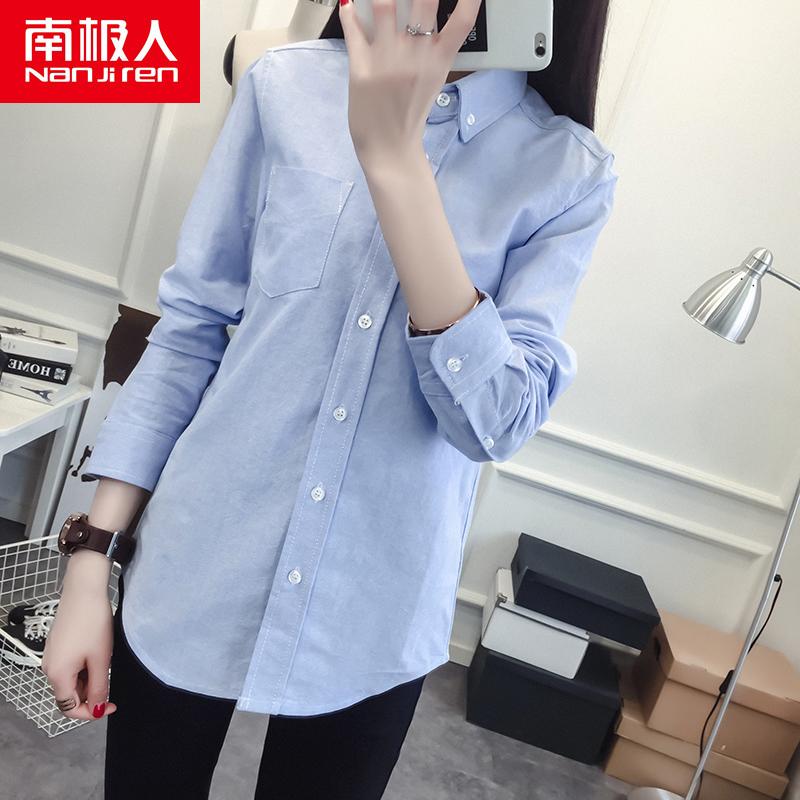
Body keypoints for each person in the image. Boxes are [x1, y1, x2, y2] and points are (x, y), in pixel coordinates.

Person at [41, 0, 617, 797]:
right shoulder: (285, 87)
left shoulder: (567, 172)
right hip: (195, 564)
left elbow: (496, 422)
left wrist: (397, 165)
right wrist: (89, 565)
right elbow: (189, 335)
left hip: (374, 613)